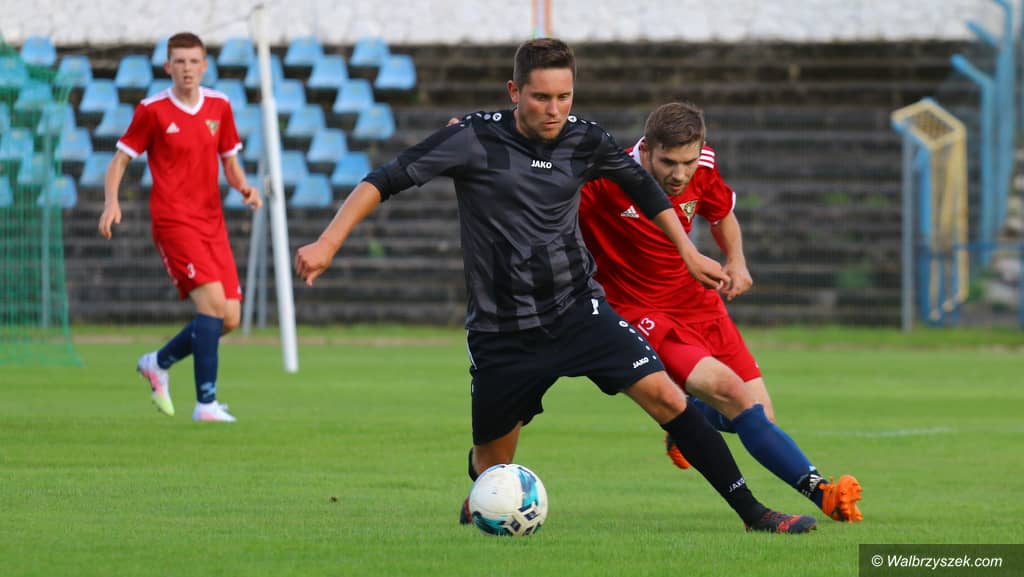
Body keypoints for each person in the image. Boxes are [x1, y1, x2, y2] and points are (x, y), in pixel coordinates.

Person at [296, 38, 816, 533]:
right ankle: (484, 489)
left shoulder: (585, 140)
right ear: (514, 91)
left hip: (578, 311)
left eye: (564, 97)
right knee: (492, 465)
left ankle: (754, 514)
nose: (554, 109)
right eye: (541, 97)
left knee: (668, 399)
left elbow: (643, 187)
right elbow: (385, 179)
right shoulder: (472, 138)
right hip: (503, 330)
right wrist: (327, 243)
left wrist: (687, 250)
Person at [577, 101, 863, 522]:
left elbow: (721, 214)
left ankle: (688, 422)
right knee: (731, 392)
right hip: (642, 310)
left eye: (688, 162)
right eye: (668, 162)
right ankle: (822, 492)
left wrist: (737, 261)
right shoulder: (605, 179)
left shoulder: (704, 166)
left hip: (698, 300)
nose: (680, 174)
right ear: (646, 150)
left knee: (760, 415)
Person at [97, 32, 261, 423]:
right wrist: (111, 202)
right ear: (167, 66)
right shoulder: (152, 110)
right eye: (180, 61)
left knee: (230, 317)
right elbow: (119, 161)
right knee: (212, 306)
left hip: (212, 222)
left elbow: (229, 161)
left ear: (205, 66)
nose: (187, 68)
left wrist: (243, 187)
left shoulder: (220, 105)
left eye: (193, 61)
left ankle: (158, 362)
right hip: (174, 220)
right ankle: (206, 404)